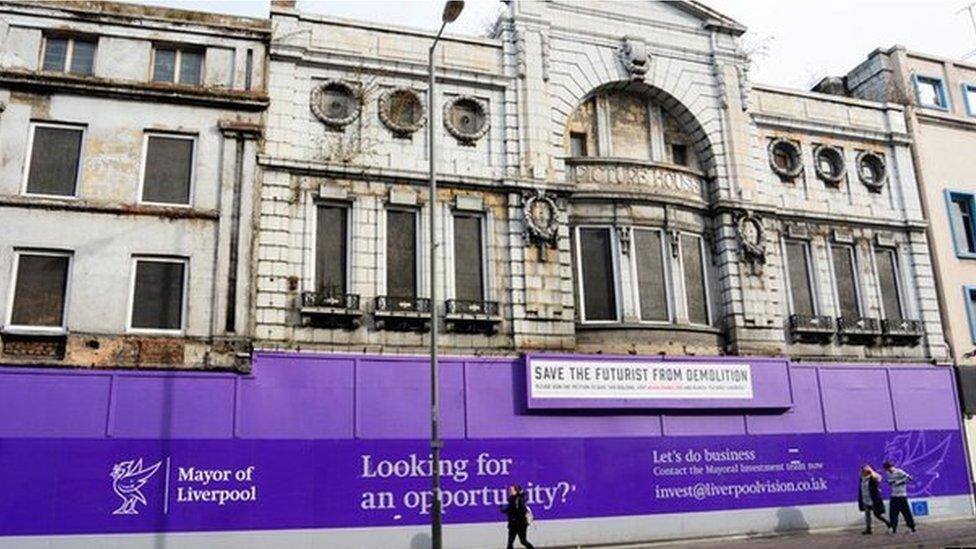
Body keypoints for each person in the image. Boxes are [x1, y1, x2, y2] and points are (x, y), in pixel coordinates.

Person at [883, 460, 916, 534]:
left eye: (890, 467)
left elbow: (910, 478)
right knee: (893, 513)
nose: (890, 470)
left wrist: (899, 482)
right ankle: (893, 528)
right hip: (894, 495)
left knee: (906, 512)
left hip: (902, 495)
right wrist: (891, 482)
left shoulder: (899, 472)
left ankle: (911, 527)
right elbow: (889, 481)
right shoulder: (888, 473)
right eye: (888, 468)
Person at [857, 464, 891, 534]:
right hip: (865, 499)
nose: (864, 471)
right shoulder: (862, 478)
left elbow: (879, 478)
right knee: (867, 515)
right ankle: (868, 529)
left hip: (873, 499)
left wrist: (871, 471)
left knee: (877, 514)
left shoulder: (872, 477)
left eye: (865, 470)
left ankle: (888, 523)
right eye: (863, 470)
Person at [501, 484, 536, 549]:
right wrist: (504, 510)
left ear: (516, 491)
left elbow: (521, 510)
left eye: (511, 490)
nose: (510, 491)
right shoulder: (511, 500)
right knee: (510, 542)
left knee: (523, 541)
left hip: (520, 524)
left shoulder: (519, 500)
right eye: (510, 490)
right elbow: (511, 510)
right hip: (513, 524)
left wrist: (513, 515)